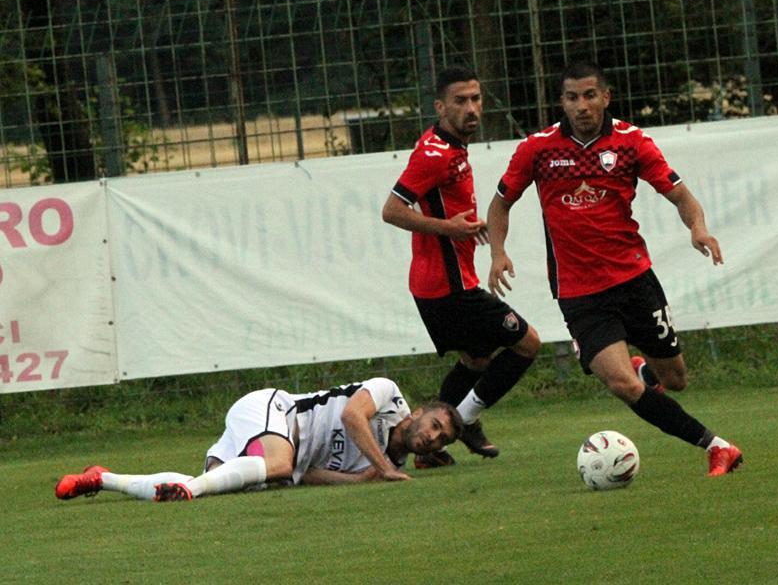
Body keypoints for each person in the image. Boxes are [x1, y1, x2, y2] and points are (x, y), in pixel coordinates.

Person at [487, 59, 742, 477]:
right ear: (562, 102)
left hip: (634, 280)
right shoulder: (538, 149)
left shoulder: (631, 142)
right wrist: (498, 252)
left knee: (675, 379)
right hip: (579, 293)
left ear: (606, 97)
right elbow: (500, 204)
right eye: (572, 97)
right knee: (623, 385)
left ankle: (642, 366)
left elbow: (681, 196)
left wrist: (698, 228)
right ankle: (717, 447)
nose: (582, 105)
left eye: (590, 95)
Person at [382, 66, 542, 468]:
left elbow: (441, 207)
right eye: (460, 101)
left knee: (476, 359)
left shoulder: (451, 147)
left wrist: (464, 227)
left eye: (476, 99)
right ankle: (464, 420)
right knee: (527, 343)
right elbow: (392, 210)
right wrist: (449, 228)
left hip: (443, 283)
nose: (471, 108)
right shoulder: (433, 154)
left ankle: (425, 449)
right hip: (446, 286)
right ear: (440, 107)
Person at [55, 377, 463, 502]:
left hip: (275, 451)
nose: (432, 437)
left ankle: (102, 478)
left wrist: (358, 480)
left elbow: (306, 474)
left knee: (214, 482)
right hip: (273, 410)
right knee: (276, 465)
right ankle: (191, 490)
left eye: (440, 438)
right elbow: (351, 414)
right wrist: (383, 469)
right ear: (418, 412)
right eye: (433, 424)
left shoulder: (384, 464)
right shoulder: (388, 395)